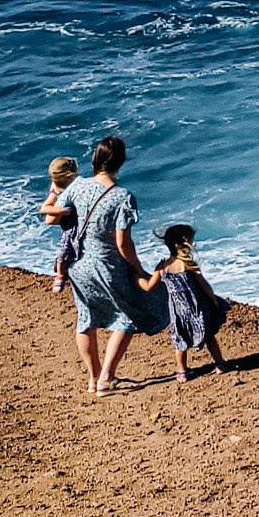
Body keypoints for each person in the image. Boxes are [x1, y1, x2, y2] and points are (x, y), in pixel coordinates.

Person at [42, 133, 166, 396]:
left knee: (86, 319)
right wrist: (138, 268)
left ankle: (93, 378)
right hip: (107, 265)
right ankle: (107, 379)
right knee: (127, 316)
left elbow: (52, 218)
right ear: (121, 161)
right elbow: (123, 243)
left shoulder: (77, 186)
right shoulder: (123, 197)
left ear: (94, 159)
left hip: (77, 264)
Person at [138, 224, 233, 382]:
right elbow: (203, 284)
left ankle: (182, 372)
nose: (193, 244)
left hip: (178, 312)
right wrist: (214, 300)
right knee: (209, 336)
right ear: (182, 244)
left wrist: (136, 277)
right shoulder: (188, 263)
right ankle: (220, 364)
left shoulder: (162, 267)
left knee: (179, 342)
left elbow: (148, 286)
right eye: (191, 241)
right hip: (197, 308)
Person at [44, 157, 82, 294]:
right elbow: (45, 209)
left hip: (77, 223)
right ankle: (59, 275)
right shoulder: (56, 189)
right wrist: (61, 211)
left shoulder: (73, 186)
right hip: (68, 226)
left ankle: (70, 272)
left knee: (77, 250)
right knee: (64, 250)